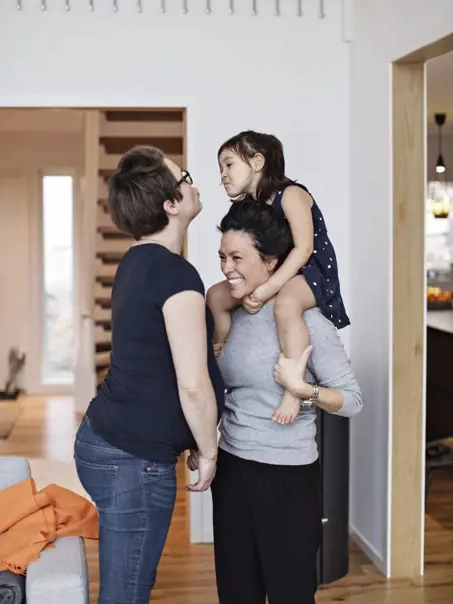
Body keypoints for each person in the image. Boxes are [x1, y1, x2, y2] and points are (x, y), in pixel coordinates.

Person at [189, 199, 362, 604]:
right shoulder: (230, 314)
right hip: (232, 470)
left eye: (236, 257)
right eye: (221, 257)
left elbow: (352, 400)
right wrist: (203, 441)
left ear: (270, 262)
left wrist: (304, 391)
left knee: (291, 595)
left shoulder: (306, 320)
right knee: (236, 593)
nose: (226, 267)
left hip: (287, 478)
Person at [74, 146, 224, 604]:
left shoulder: (138, 260)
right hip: (129, 461)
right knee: (127, 592)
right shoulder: (174, 274)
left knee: (130, 583)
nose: (195, 184)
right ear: (171, 205)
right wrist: (209, 450)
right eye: (186, 178)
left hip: (111, 444)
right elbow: (192, 383)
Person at [207, 130, 350, 424]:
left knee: (286, 305)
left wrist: (267, 288)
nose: (222, 174)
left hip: (311, 271)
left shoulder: (291, 195)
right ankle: (220, 350)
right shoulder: (250, 205)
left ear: (258, 162)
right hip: (281, 269)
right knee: (216, 296)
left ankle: (292, 389)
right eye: (220, 168)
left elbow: (304, 248)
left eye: (229, 164)